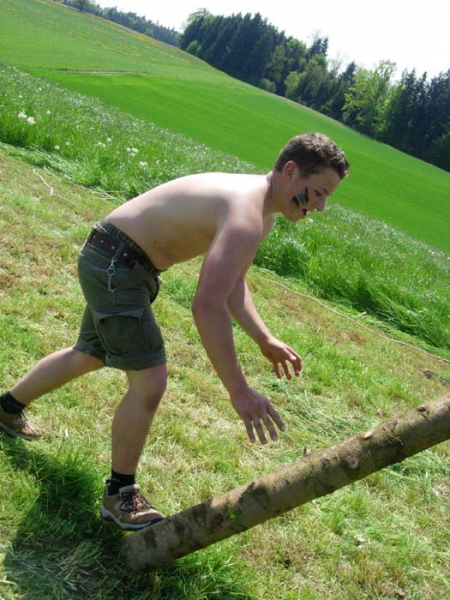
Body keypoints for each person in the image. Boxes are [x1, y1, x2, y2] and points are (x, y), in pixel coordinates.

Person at [0, 132, 349, 530]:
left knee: (90, 354)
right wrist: (239, 390)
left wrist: (263, 338)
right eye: (318, 192)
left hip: (116, 260)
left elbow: (233, 284)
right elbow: (207, 304)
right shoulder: (246, 213)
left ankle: (6, 408)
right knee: (150, 380)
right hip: (118, 265)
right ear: (290, 171)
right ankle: (120, 495)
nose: (319, 205)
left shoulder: (259, 212)